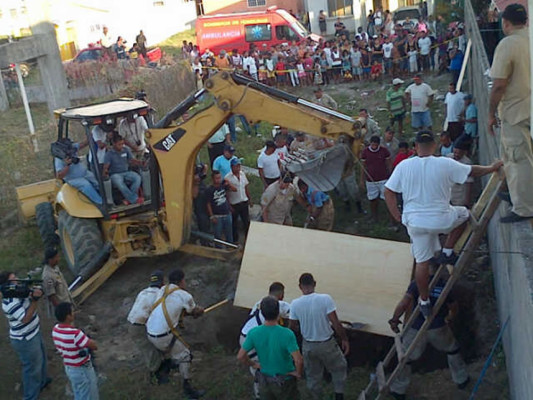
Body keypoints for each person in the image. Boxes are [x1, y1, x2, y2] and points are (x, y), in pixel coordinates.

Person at [384, 130, 503, 317]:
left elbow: (388, 191)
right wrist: (492, 167)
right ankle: (447, 251)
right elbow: (472, 171)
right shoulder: (444, 163)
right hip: (441, 219)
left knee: (421, 262)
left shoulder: (403, 166)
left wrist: (398, 216)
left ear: (415, 147)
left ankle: (424, 300)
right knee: (464, 213)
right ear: (434, 146)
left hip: (414, 223)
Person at [388, 270, 469, 400]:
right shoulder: (444, 285)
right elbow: (454, 307)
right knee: (453, 349)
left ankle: (398, 389)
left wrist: (394, 319)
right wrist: (449, 318)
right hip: (437, 327)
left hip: (415, 328)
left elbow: (404, 304)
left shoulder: (416, 284)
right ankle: (461, 379)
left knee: (405, 358)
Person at [488, 3, 533, 223]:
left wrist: (489, 114)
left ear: (505, 22)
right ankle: (519, 197)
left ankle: (524, 207)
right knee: (519, 156)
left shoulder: (508, 44)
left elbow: (498, 85)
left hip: (515, 110)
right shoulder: (529, 39)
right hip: (528, 107)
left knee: (518, 159)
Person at [145, 269, 205, 399]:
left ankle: (166, 368)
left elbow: (171, 308)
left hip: (150, 332)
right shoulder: (185, 295)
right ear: (181, 281)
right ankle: (187, 388)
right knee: (186, 355)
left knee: (172, 348)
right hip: (163, 335)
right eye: (184, 280)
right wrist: (199, 311)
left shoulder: (162, 290)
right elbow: (193, 311)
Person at [289, 273, 349, 400]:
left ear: (300, 286)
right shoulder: (325, 299)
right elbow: (336, 323)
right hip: (327, 343)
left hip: (308, 345)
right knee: (339, 367)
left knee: (313, 375)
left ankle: (317, 397)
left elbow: (292, 327)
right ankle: (339, 395)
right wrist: (344, 338)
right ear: (314, 283)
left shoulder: (294, 304)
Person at [238, 296, 303, 400]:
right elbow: (298, 360)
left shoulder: (253, 333)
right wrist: (298, 373)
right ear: (278, 312)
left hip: (264, 378)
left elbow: (241, 356)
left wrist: (254, 364)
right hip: (284, 377)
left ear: (261, 313)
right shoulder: (287, 333)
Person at [1, 271, 50, 400]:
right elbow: (25, 318)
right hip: (25, 339)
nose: (17, 280)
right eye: (13, 280)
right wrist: (35, 300)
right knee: (31, 368)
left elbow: (29, 293)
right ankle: (30, 396)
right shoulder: (9, 302)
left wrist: (34, 291)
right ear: (7, 285)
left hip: (33, 333)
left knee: (42, 358)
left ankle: (42, 381)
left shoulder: (19, 291)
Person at [52, 302, 99, 400]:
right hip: (83, 369)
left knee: (79, 392)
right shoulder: (75, 334)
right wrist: (88, 339)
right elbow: (94, 346)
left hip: (70, 367)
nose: (74, 313)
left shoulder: (55, 329)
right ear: (68, 316)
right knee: (89, 394)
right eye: (72, 312)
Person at [127, 271, 166, 382]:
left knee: (152, 349)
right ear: (163, 282)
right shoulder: (159, 294)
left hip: (133, 324)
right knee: (151, 352)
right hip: (140, 327)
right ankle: (155, 378)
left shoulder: (143, 292)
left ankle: (160, 369)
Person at [54, 139, 103, 206]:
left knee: (98, 181)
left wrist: (89, 136)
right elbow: (59, 176)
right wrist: (68, 165)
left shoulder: (72, 148)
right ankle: (100, 203)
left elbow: (82, 144)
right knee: (86, 185)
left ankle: (107, 198)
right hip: (73, 179)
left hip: (84, 173)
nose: (71, 147)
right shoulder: (59, 158)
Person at [103, 133, 144, 205]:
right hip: (115, 174)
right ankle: (134, 199)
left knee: (137, 178)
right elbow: (106, 167)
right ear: (114, 144)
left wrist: (141, 162)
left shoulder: (126, 150)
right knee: (120, 183)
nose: (121, 146)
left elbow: (132, 160)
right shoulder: (109, 154)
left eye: (122, 144)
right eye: (119, 144)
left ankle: (129, 199)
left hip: (126, 172)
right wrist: (105, 172)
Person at [360, 136, 391, 222]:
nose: (374, 147)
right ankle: (374, 217)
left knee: (387, 199)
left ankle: (391, 218)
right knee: (372, 199)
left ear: (378, 144)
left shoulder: (384, 151)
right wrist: (361, 180)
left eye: (375, 145)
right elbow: (363, 167)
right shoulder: (365, 152)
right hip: (370, 180)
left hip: (383, 179)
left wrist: (391, 176)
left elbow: (389, 164)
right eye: (372, 145)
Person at [225, 158, 251, 243]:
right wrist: (229, 205)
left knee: (246, 222)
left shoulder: (242, 174)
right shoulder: (227, 178)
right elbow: (226, 193)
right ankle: (235, 240)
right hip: (234, 203)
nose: (238, 168)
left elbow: (246, 187)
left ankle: (248, 238)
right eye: (236, 166)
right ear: (232, 167)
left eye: (239, 166)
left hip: (243, 201)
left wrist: (249, 199)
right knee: (234, 223)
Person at [41, 248, 73, 317]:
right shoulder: (48, 276)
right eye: (56, 257)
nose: (58, 259)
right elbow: (52, 297)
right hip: (61, 311)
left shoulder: (55, 268)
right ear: (50, 260)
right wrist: (62, 312)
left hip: (66, 304)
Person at [206, 170, 233, 244]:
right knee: (218, 234)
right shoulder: (209, 190)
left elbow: (231, 191)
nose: (218, 180)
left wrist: (229, 206)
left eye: (219, 178)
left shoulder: (223, 186)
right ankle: (219, 247)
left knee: (229, 232)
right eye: (216, 178)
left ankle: (230, 245)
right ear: (212, 179)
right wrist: (212, 216)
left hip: (226, 213)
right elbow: (208, 204)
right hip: (217, 215)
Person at [448, 139, 474, 207]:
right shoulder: (448, 158)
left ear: (464, 152)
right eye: (455, 152)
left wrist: (467, 202)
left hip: (459, 196)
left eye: (458, 153)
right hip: (448, 194)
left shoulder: (467, 163)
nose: (456, 155)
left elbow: (469, 183)